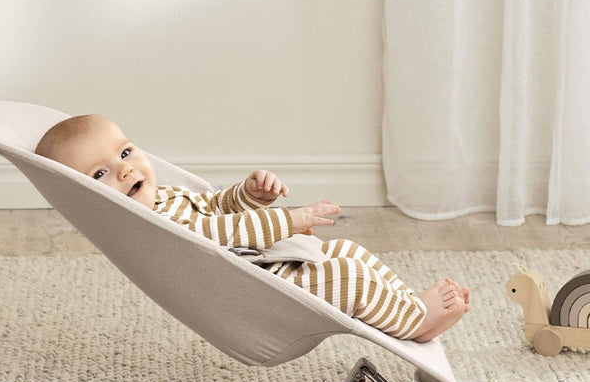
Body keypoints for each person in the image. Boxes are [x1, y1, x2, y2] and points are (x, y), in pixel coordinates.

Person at [35, 114, 470, 342]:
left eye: (126, 152)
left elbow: (217, 210)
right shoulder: (148, 224)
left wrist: (249, 194)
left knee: (348, 252)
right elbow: (218, 235)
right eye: (100, 174)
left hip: (274, 263)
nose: (126, 170)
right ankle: (415, 322)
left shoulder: (165, 196)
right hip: (263, 287)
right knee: (349, 276)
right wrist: (289, 219)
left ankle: (409, 305)